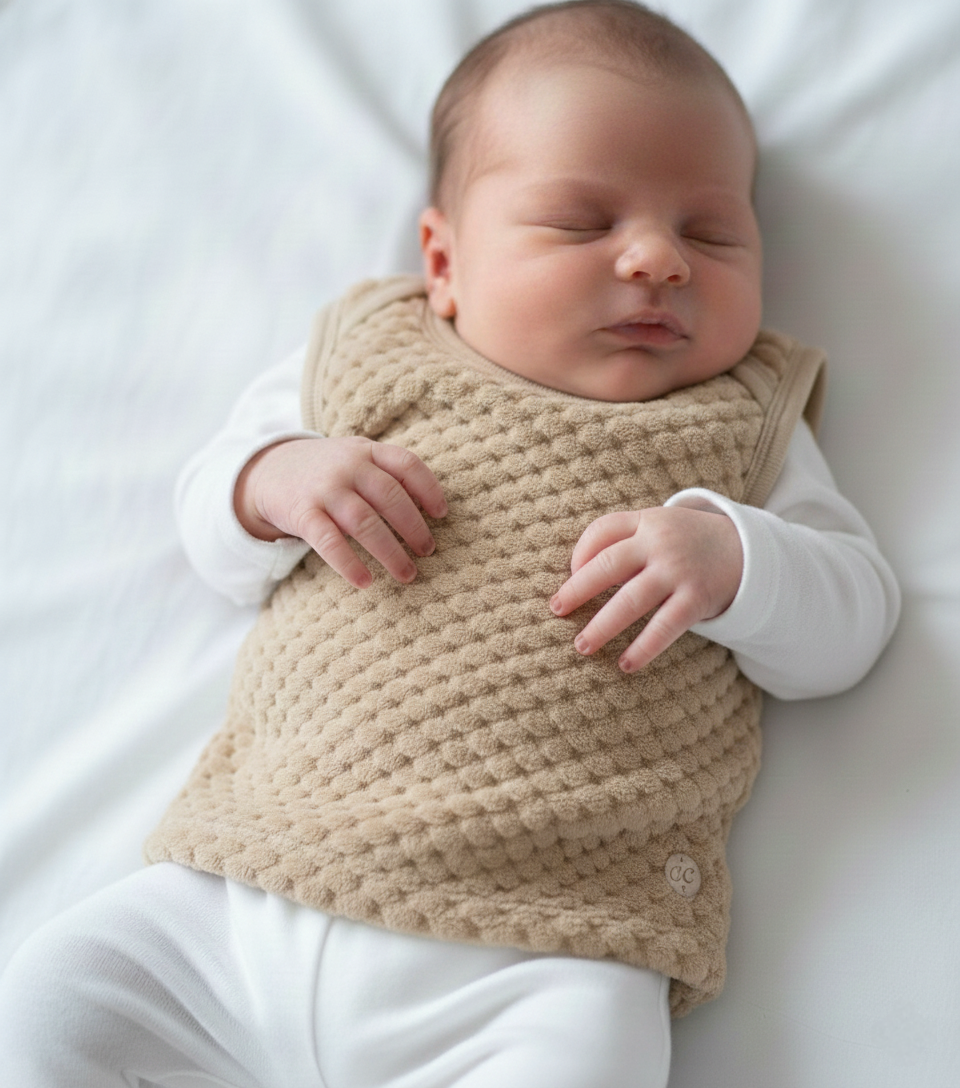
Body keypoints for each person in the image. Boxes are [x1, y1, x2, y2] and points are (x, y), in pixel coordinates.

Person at [0, 2, 900, 1085]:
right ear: (444, 259)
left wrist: (735, 559)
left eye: (712, 234)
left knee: (594, 1060)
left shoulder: (744, 423)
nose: (658, 258)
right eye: (582, 222)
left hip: (546, 944)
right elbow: (212, 523)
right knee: (48, 999)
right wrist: (270, 481)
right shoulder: (368, 358)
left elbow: (853, 621)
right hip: (246, 896)